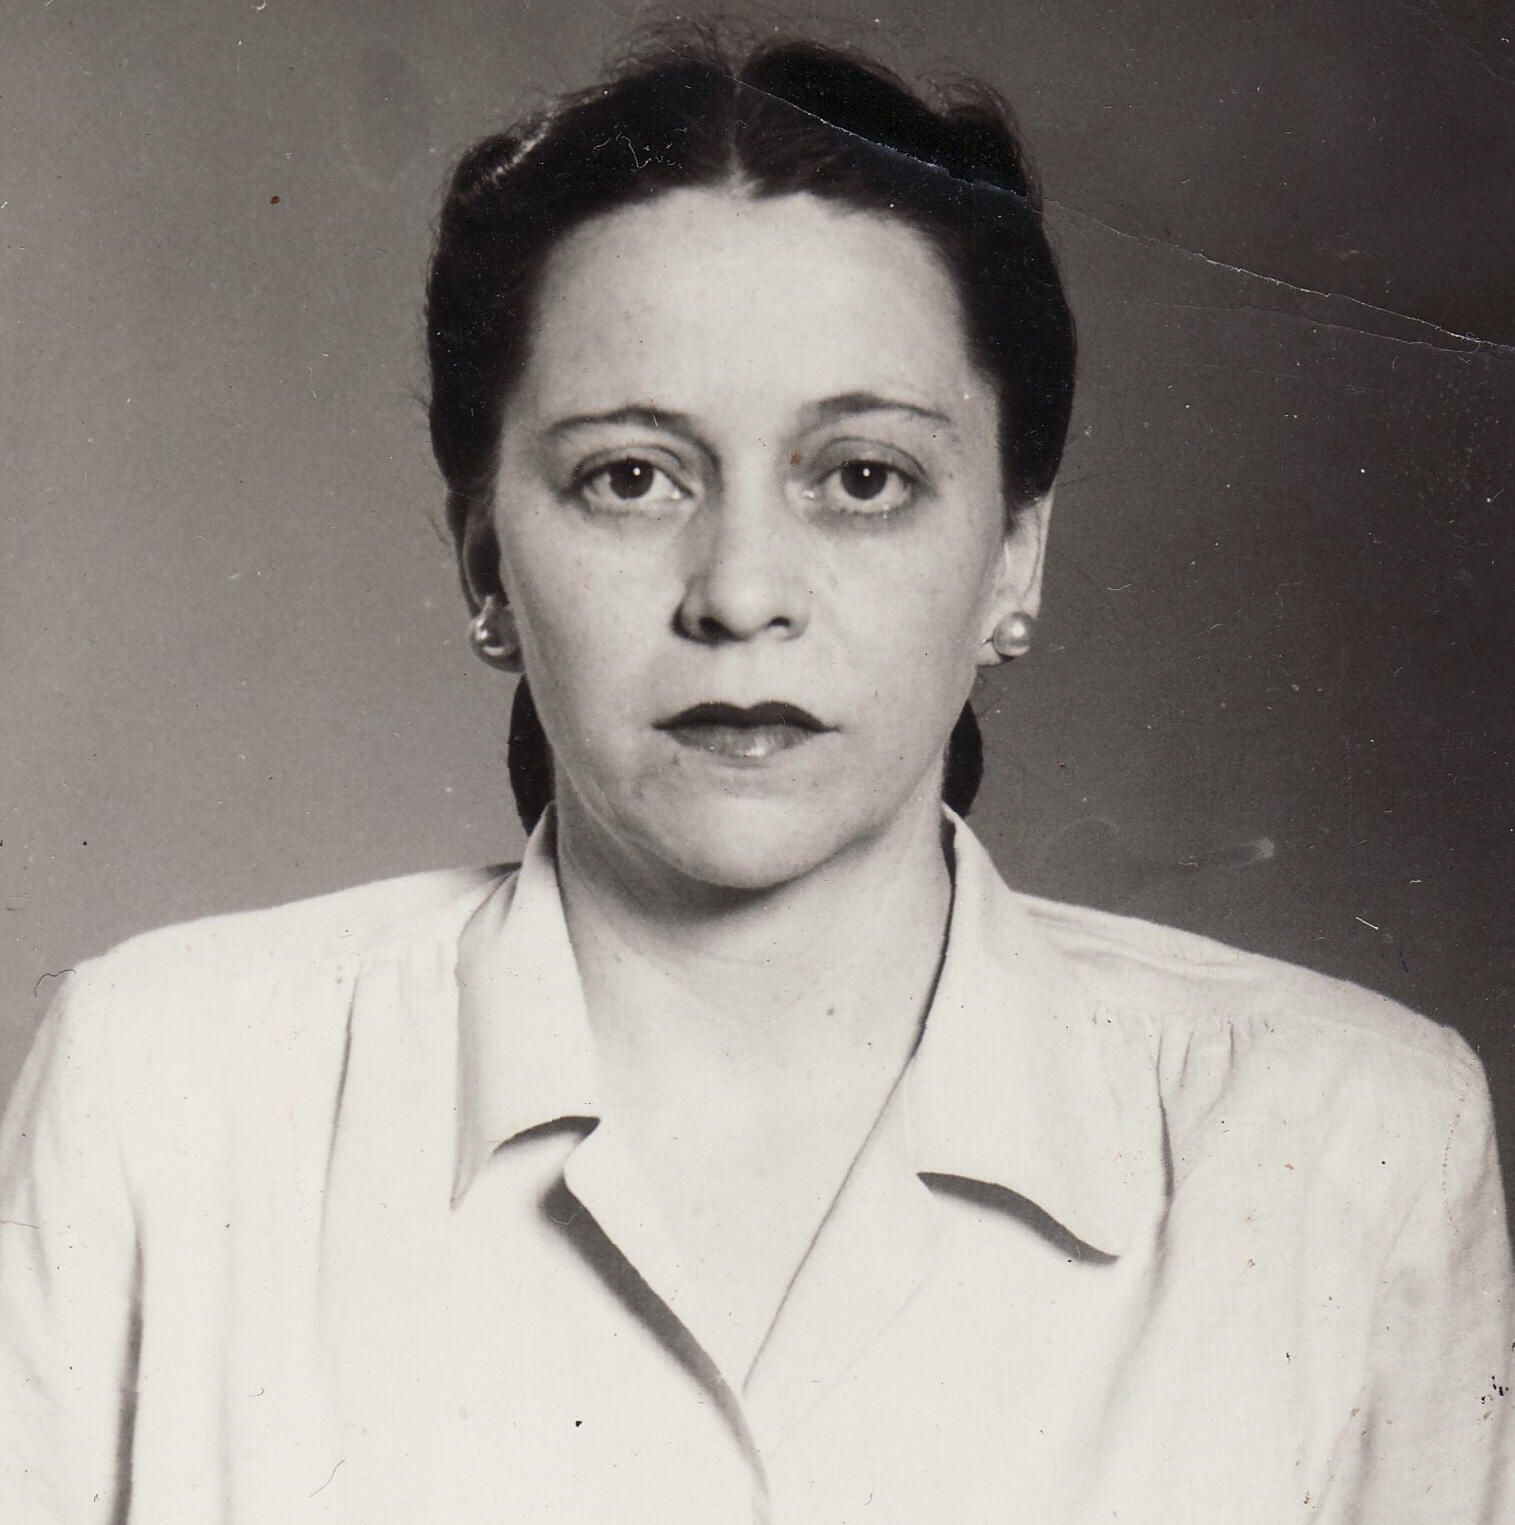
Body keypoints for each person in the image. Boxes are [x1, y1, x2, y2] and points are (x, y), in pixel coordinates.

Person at [2, 28, 1510, 1524]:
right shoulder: (166, 1096)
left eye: (862, 478)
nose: (740, 593)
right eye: (630, 477)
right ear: (486, 562)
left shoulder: (1347, 1149)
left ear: (1014, 555)